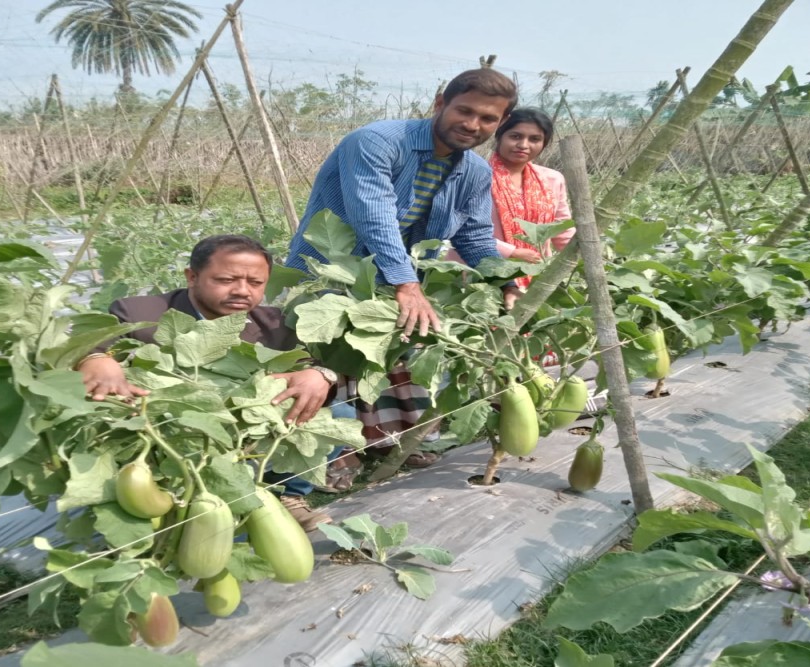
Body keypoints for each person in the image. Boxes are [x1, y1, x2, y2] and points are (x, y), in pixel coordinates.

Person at [283, 68, 521, 468]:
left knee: (381, 359)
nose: (472, 124)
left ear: (501, 123)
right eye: (464, 111)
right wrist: (406, 282)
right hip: (332, 269)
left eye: (488, 118)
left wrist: (505, 281)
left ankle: (380, 444)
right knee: (318, 356)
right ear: (440, 102)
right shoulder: (376, 142)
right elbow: (373, 214)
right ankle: (328, 455)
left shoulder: (475, 172)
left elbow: (476, 237)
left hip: (395, 278)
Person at [77, 234, 340, 531]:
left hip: (242, 422)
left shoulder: (275, 325)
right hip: (171, 424)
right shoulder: (142, 313)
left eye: (255, 283)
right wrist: (96, 357)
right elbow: (90, 341)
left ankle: (289, 496)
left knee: (334, 410)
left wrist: (321, 375)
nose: (242, 291)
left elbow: (307, 366)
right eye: (226, 279)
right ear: (192, 276)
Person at [487, 108, 573, 288]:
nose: (524, 145)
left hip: (536, 274)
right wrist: (512, 252)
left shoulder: (552, 179)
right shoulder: (477, 175)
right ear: (499, 136)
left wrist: (584, 257)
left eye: (535, 139)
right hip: (482, 271)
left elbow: (561, 227)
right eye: (515, 136)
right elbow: (463, 229)